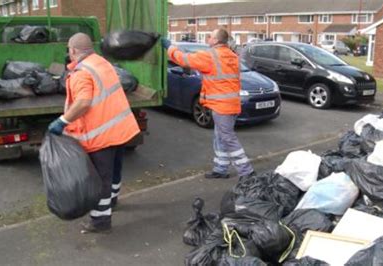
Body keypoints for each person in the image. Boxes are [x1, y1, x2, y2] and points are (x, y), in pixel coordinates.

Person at [48, 33, 140, 233]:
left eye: (69, 51)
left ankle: (100, 221)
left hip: (101, 135)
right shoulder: (101, 62)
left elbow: (83, 102)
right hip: (119, 129)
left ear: (72, 50)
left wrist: (62, 121)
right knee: (114, 172)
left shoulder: (81, 73)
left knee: (101, 180)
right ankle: (112, 202)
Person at [161, 29, 255, 179]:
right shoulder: (232, 55)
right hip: (231, 103)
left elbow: (184, 59)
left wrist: (170, 47)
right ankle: (220, 168)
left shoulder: (210, 56)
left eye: (210, 36)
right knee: (220, 137)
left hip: (221, 106)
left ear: (216, 41)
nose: (208, 38)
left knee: (227, 137)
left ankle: (246, 171)